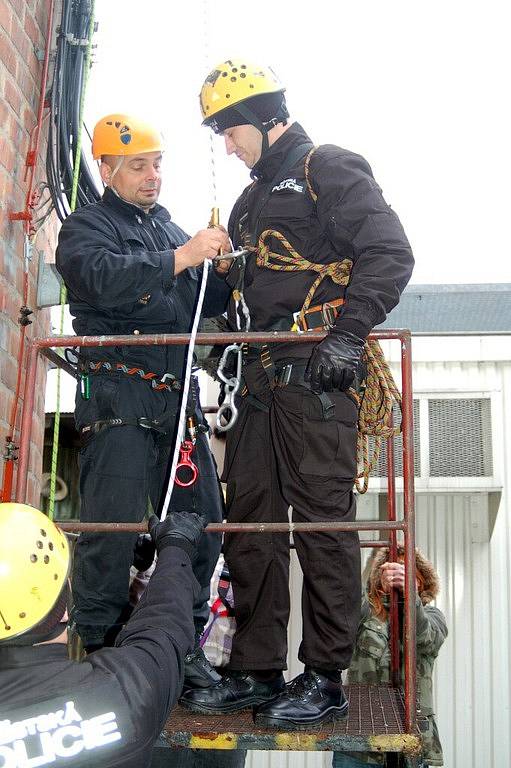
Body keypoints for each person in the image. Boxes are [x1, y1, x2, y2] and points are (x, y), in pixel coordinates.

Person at [180, 60, 414, 728]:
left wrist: (345, 336)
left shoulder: (326, 167)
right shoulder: (250, 204)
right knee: (249, 526)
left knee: (321, 527)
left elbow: (389, 252)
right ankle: (255, 669)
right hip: (257, 384)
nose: (226, 144)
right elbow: (243, 295)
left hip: (317, 378)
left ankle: (323, 674)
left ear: (263, 115)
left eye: (229, 130)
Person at [55, 113, 231, 693]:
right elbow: (97, 277)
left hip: (176, 399)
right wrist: (182, 258)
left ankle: (186, 644)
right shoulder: (87, 226)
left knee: (202, 522)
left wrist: (222, 268)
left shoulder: (166, 227)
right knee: (111, 530)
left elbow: (197, 301)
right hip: (118, 392)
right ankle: (101, 652)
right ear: (106, 169)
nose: (152, 176)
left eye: (157, 164)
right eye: (138, 166)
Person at [0, 501, 205, 768]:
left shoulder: (126, 688)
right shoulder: (123, 692)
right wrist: (176, 547)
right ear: (64, 609)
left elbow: (161, 631)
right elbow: (164, 626)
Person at [333, 547, 447, 767]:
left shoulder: (433, 617)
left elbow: (425, 638)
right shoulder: (366, 612)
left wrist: (409, 598)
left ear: (422, 581)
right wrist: (376, 590)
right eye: (394, 572)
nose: (400, 577)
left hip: (411, 740)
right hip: (359, 742)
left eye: (407, 572)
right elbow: (344, 612)